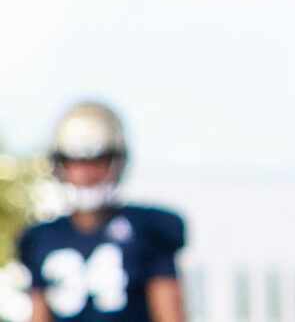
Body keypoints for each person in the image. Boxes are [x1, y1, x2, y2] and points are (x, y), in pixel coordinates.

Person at [17, 103, 185, 322]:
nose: (86, 173)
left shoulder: (148, 228)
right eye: (76, 162)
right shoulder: (40, 238)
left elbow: (170, 315)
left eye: (97, 161)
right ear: (60, 165)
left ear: (116, 162)